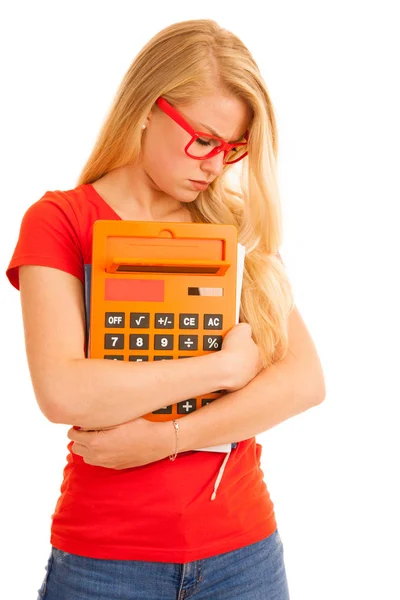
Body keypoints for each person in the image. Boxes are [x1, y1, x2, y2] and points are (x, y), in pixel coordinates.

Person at [6, 18, 325, 600]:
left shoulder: (232, 228)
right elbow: (63, 392)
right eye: (203, 139)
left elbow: (304, 381)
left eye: (232, 148)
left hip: (243, 556)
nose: (214, 164)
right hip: (105, 562)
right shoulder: (61, 221)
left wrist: (168, 437)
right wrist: (222, 370)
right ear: (148, 107)